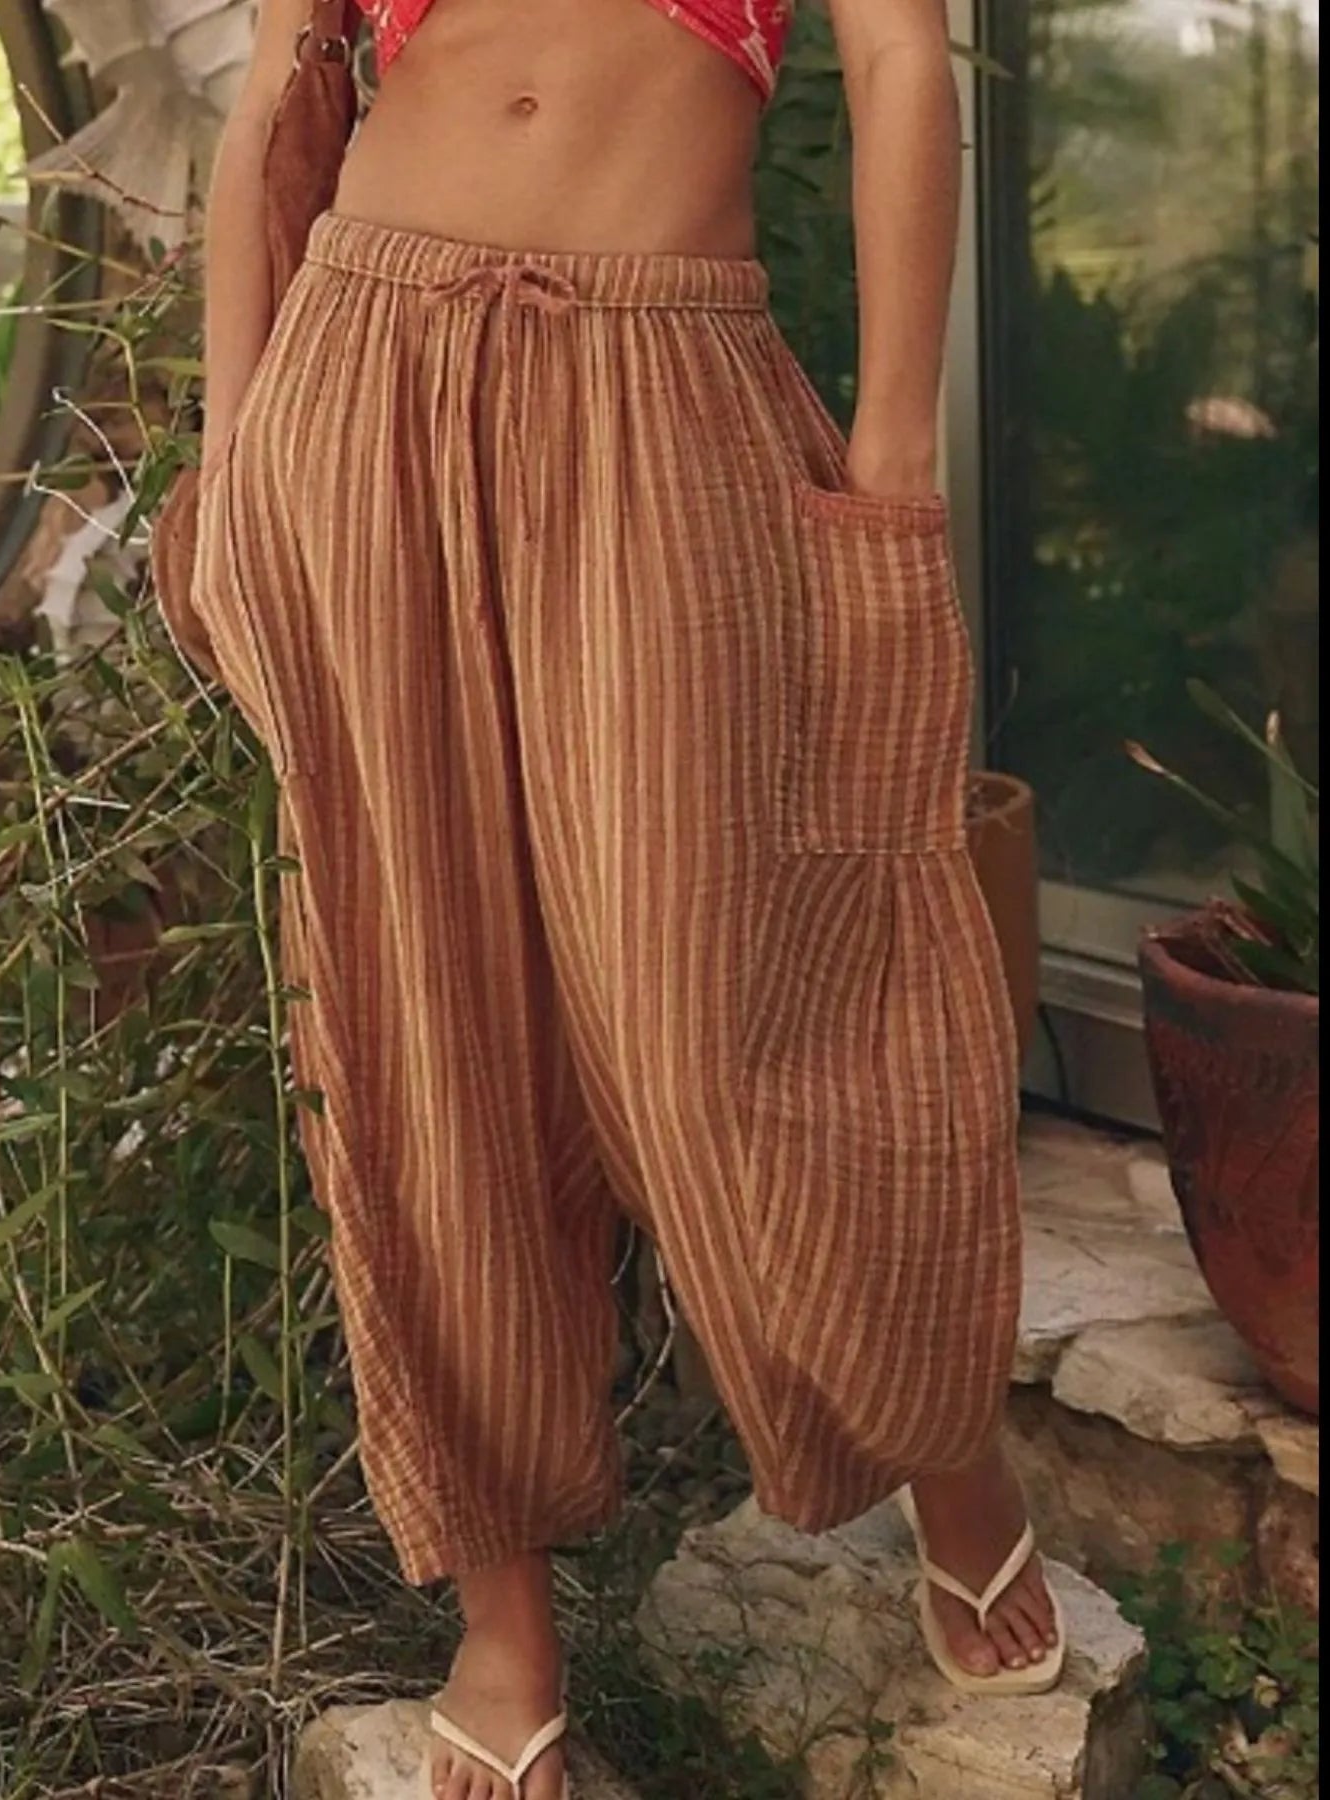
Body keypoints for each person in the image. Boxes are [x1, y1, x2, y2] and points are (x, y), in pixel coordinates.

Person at [194, 0, 1064, 1793]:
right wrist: (234, 453)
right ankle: (504, 1618)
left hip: (667, 398)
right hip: (358, 380)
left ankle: (941, 1439)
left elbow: (901, 62)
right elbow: (282, 87)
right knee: (420, 1019)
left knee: (732, 1009)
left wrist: (895, 444)